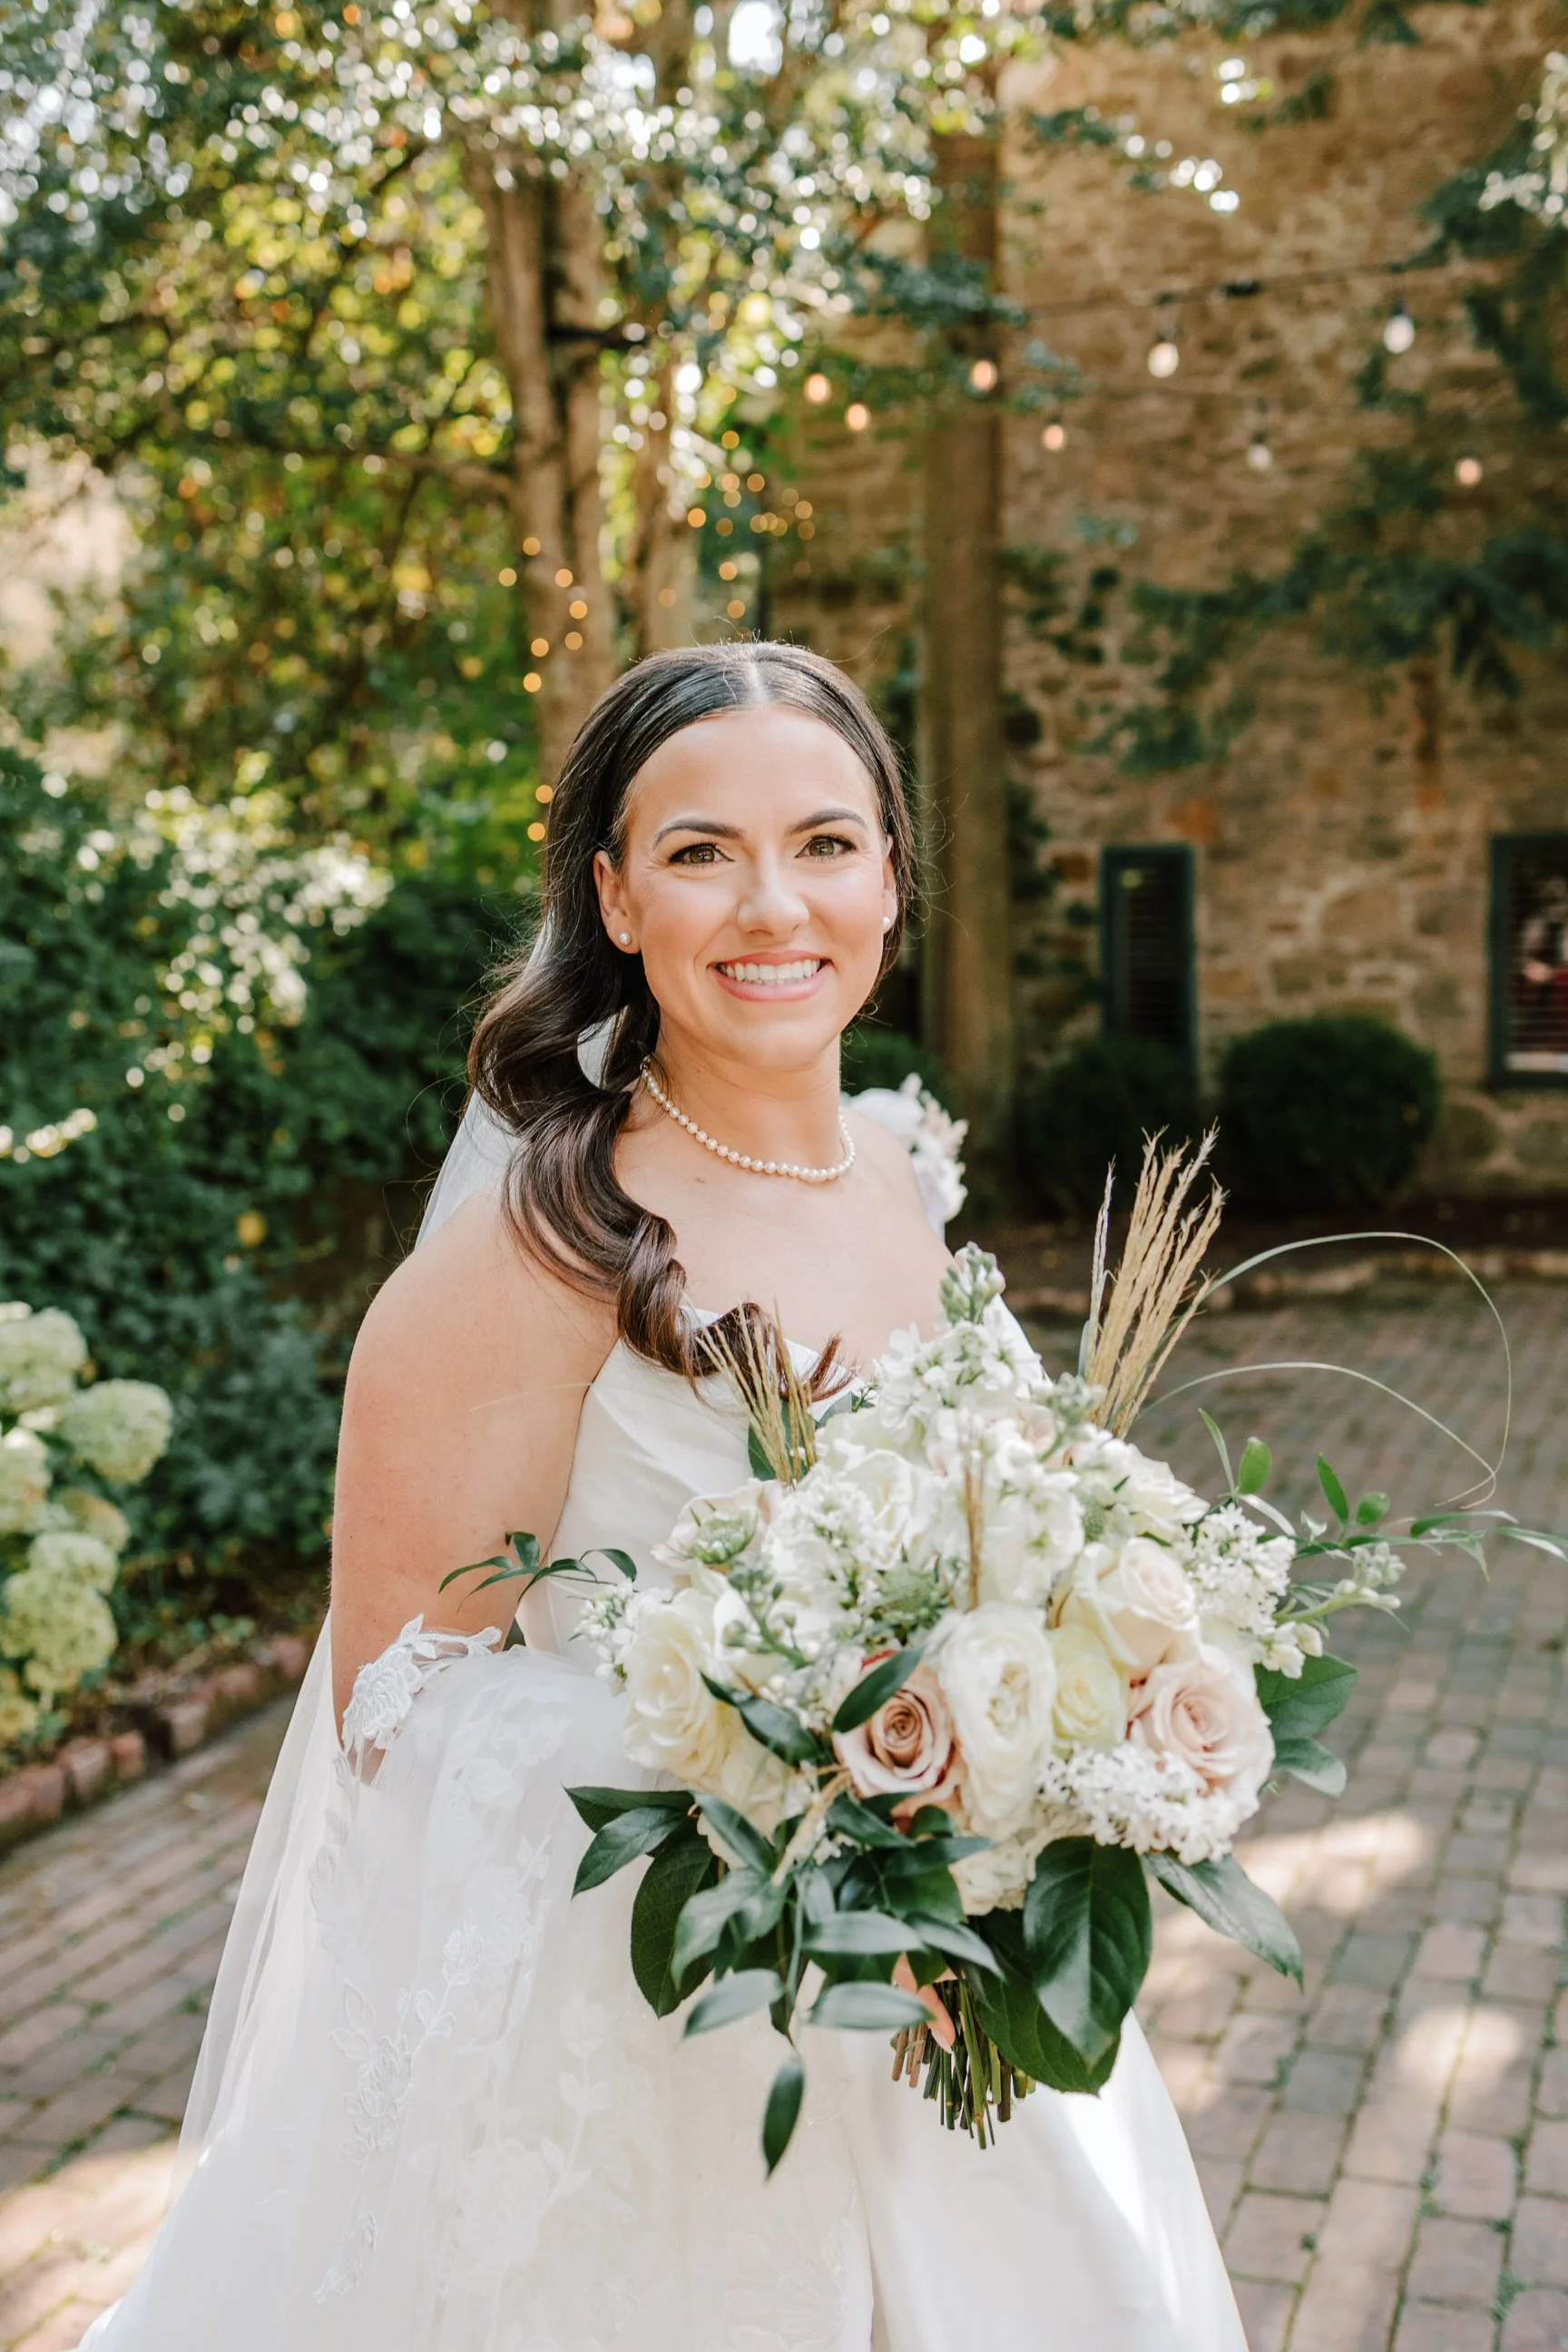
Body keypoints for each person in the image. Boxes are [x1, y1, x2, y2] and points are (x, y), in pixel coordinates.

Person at [80, 643, 1247, 2350]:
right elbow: (396, 1707)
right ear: (615, 896)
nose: (773, 903)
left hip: (948, 2015)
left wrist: (1072, 1728)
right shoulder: (537, 1255)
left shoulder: (903, 1176)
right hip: (669, 2049)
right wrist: (797, 1801)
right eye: (700, 852)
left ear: (894, 879)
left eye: (827, 843)